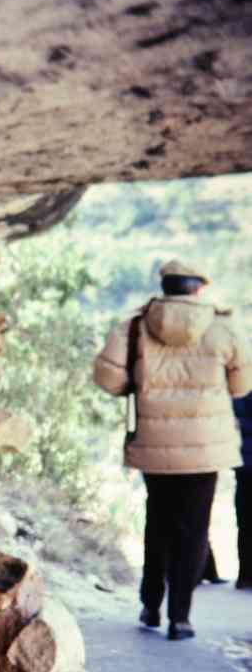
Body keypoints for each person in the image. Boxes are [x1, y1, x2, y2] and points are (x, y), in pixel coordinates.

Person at [94, 259, 252, 640]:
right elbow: (243, 384)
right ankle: (180, 617)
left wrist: (141, 383)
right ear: (198, 289)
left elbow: (107, 379)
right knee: (194, 528)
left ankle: (150, 603)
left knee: (158, 522)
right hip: (206, 447)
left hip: (153, 442)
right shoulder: (223, 327)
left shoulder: (134, 326)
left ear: (165, 287)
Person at [234, 392, 252, 588]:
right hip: (246, 463)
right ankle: (245, 574)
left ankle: (245, 575)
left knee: (245, 520)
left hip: (244, 461)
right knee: (246, 520)